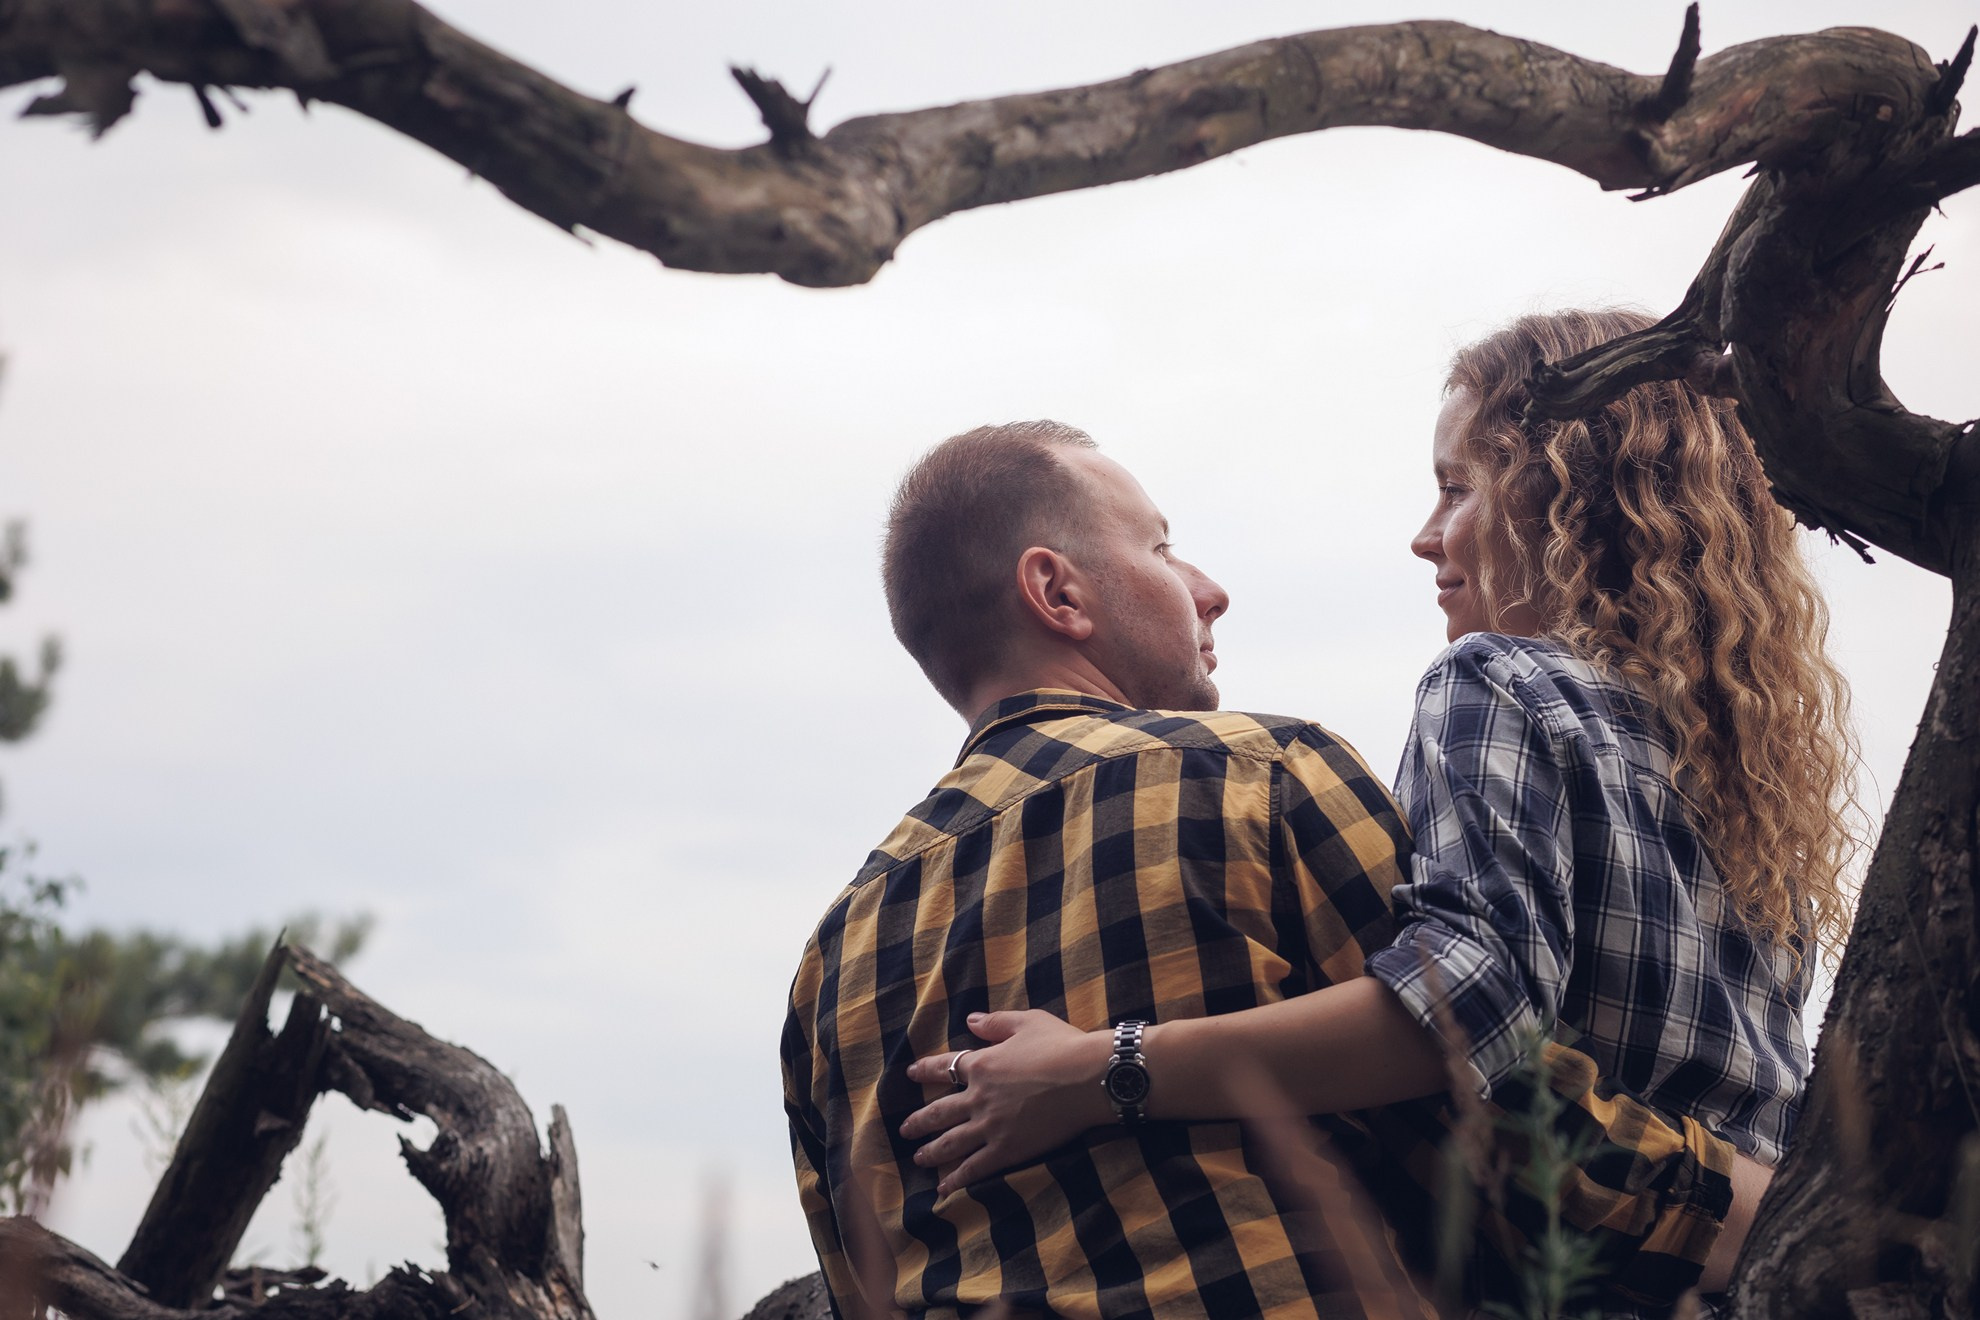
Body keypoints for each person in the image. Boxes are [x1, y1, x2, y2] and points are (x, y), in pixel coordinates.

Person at [896, 310, 1858, 1313]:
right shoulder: (1741, 772)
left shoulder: (1497, 682)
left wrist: (1107, 1068)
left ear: (1567, 496)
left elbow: (1468, 1001)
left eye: (1457, 488)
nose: (1425, 536)